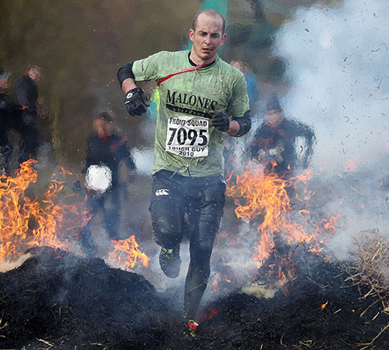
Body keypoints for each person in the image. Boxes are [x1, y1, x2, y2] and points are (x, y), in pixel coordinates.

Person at [117, 9, 251, 336]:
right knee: (166, 226)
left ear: (223, 39)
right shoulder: (165, 62)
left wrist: (229, 124)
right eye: (202, 34)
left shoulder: (231, 79)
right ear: (192, 35)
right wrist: (131, 92)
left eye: (214, 35)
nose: (207, 41)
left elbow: (244, 123)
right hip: (169, 172)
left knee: (203, 250)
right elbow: (125, 70)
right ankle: (168, 246)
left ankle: (189, 319)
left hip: (209, 179)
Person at [80, 111, 136, 255]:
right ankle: (86, 245)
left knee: (111, 214)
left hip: (112, 184)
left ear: (111, 125)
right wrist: (81, 176)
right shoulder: (92, 139)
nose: (102, 128)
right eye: (99, 125)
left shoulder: (118, 141)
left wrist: (130, 174)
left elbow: (129, 160)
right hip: (93, 183)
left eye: (105, 124)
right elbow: (87, 160)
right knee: (88, 214)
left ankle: (114, 245)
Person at [249, 96, 315, 198]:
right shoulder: (263, 131)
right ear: (267, 116)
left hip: (289, 167)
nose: (274, 117)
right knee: (271, 197)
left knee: (288, 197)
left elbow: (309, 134)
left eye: (277, 113)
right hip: (270, 170)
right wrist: (265, 155)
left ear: (281, 114)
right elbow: (252, 151)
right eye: (271, 114)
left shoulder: (289, 126)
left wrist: (305, 159)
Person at [13, 65, 43, 165]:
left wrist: (38, 108)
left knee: (32, 140)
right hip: (24, 115)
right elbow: (23, 100)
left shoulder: (32, 85)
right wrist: (31, 108)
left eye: (37, 73)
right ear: (28, 72)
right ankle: (24, 165)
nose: (35, 75)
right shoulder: (23, 83)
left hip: (29, 114)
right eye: (33, 72)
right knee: (28, 140)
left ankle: (28, 164)